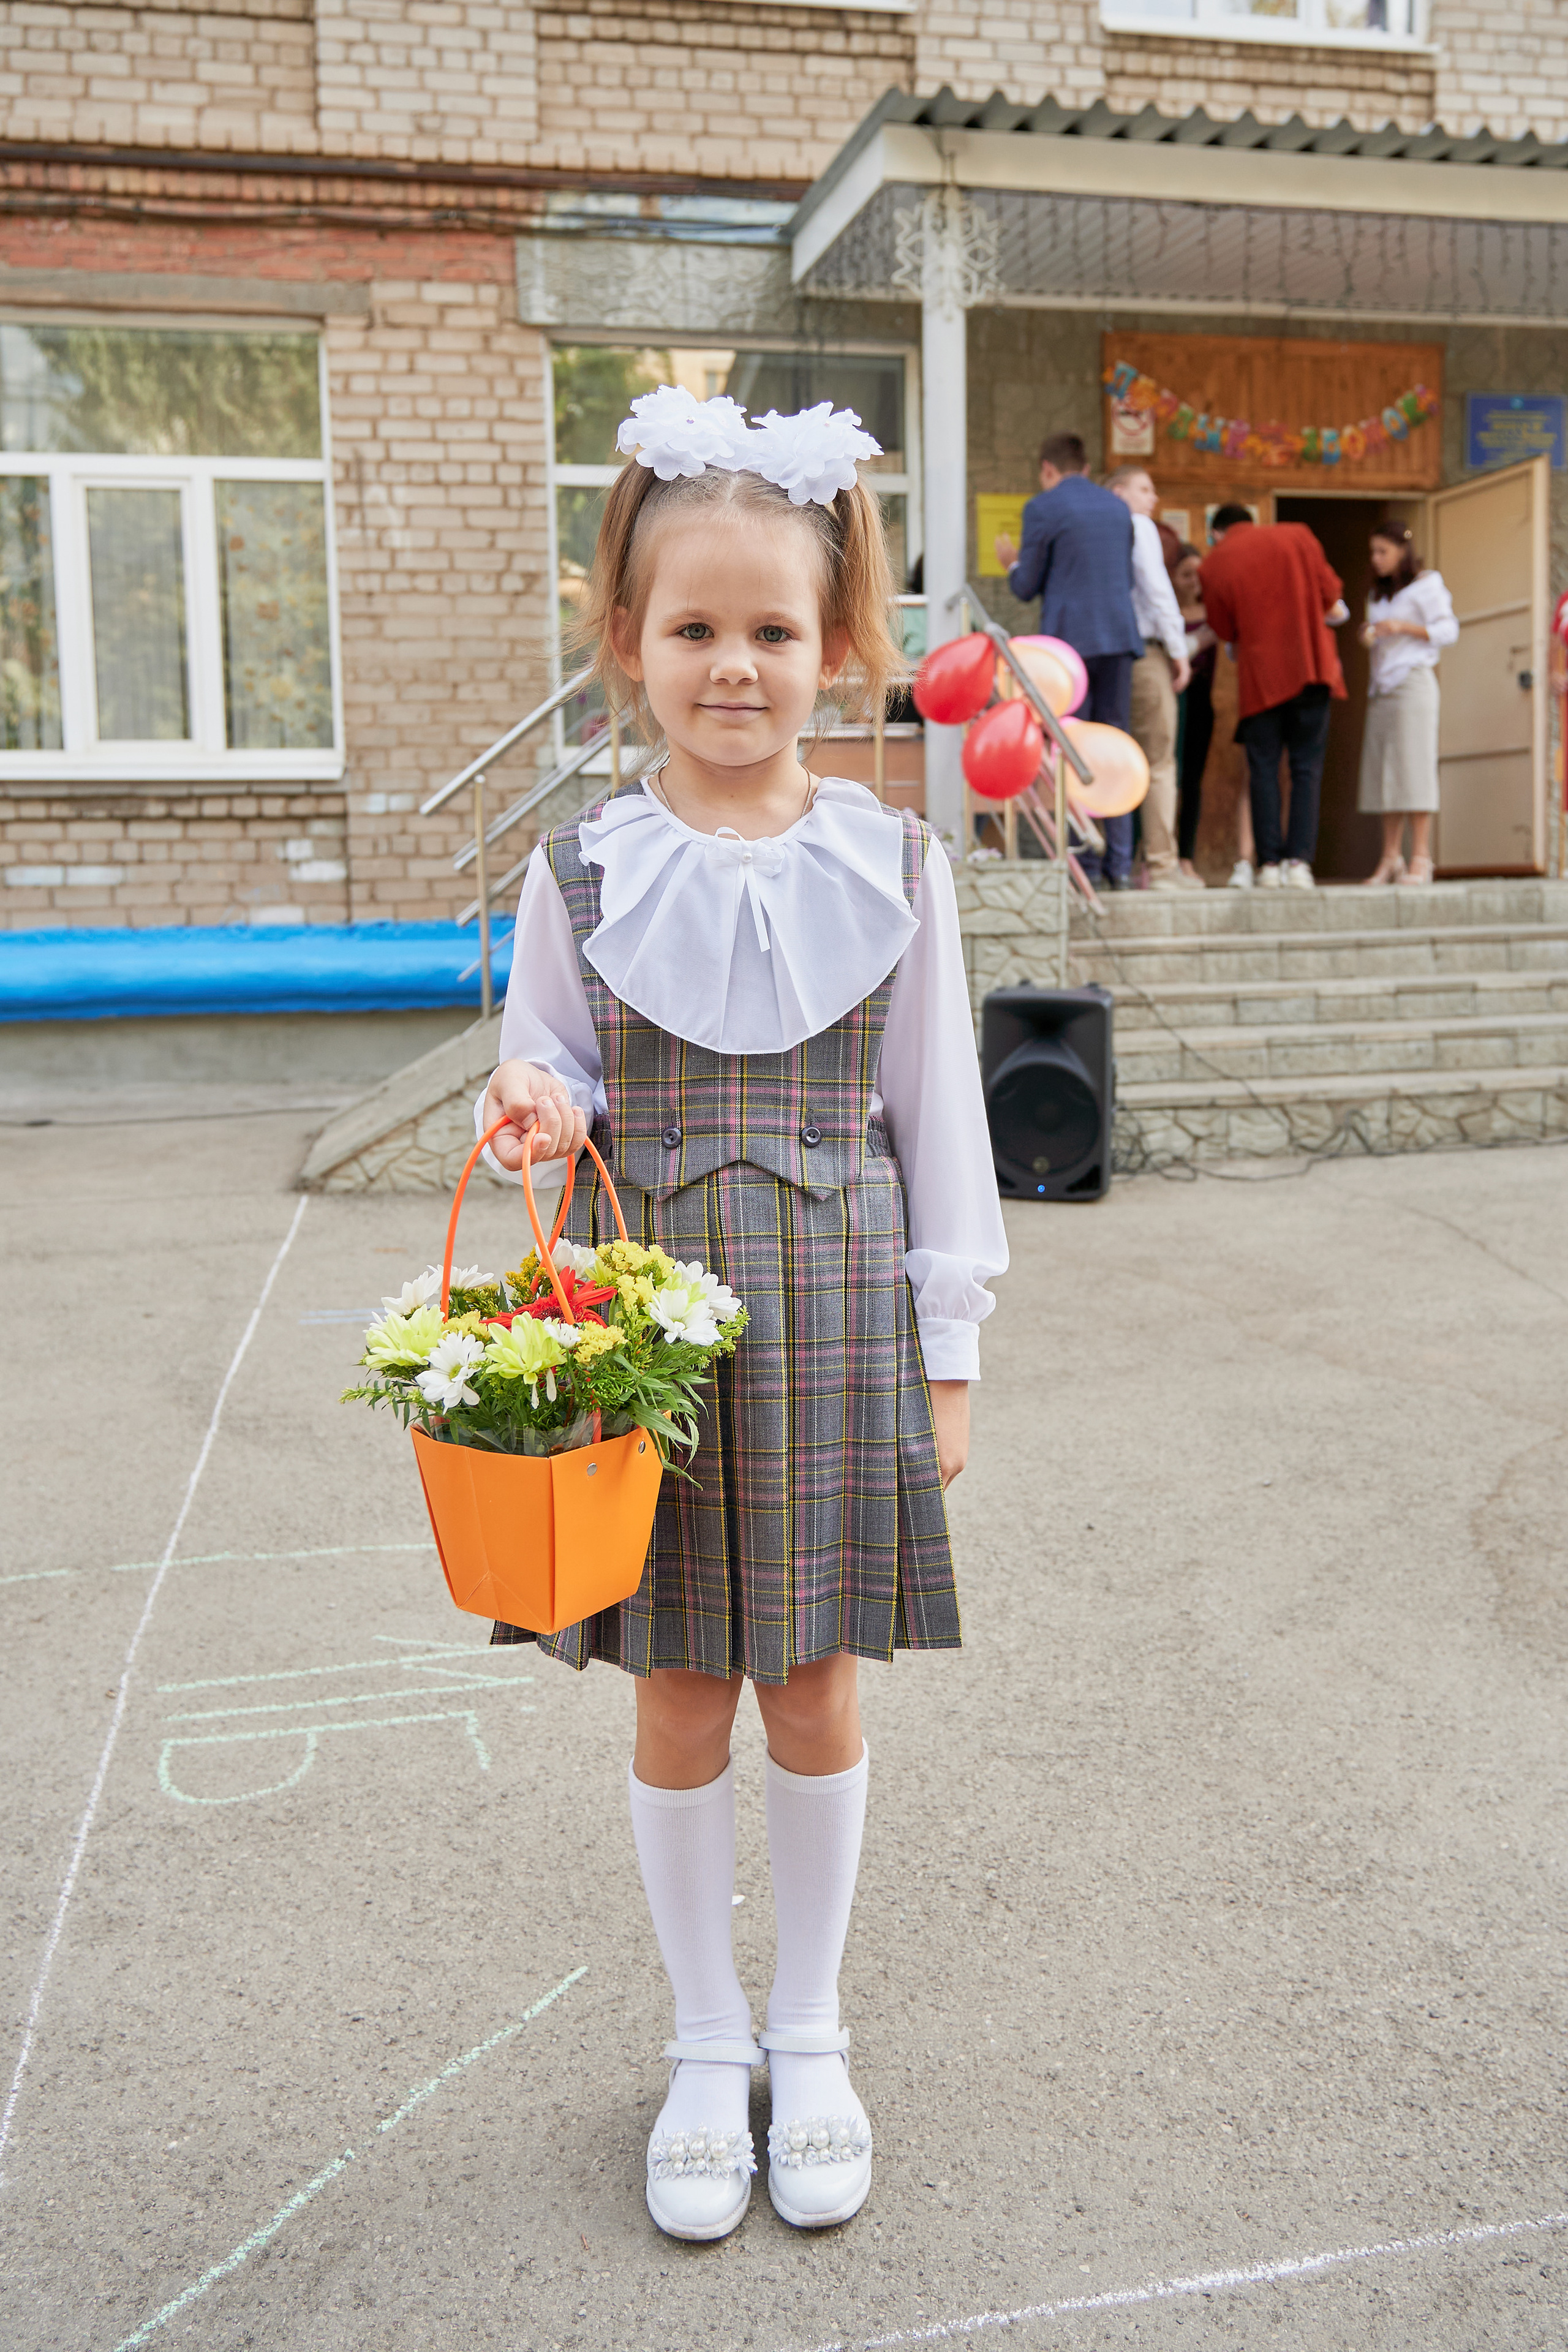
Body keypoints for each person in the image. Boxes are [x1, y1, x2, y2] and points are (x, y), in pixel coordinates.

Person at [475, 389, 1008, 2247]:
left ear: (837, 642)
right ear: (627, 642)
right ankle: (707, 2039)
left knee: (816, 1683)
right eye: (691, 628)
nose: (732, 665)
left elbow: (941, 1121)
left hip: (843, 1322)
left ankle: (812, 2023)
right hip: (654, 1337)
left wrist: (950, 1353)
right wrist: (535, 1104)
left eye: (772, 629)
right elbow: (545, 1060)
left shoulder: (894, 865)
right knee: (683, 1687)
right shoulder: (584, 867)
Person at [994, 431, 1142, 886]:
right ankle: (1120, 862)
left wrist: (1012, 564)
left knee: (1072, 745)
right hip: (1117, 638)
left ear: (1047, 469)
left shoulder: (1044, 507)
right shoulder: (1119, 508)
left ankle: (1088, 868)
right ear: (1085, 466)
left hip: (1069, 651)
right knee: (1116, 744)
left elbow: (1027, 585)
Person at [1199, 503, 1349, 890]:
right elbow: (1332, 595)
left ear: (1217, 532)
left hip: (1260, 680)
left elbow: (1224, 630)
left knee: (1263, 770)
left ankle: (1267, 864)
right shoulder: (1297, 535)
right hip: (1310, 668)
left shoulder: (1215, 563)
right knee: (1306, 768)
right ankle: (1299, 863)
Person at [1357, 518, 1458, 886]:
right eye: (1373, 552)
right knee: (1385, 771)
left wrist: (1403, 628)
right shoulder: (1378, 593)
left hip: (1413, 683)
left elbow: (1449, 630)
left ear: (1403, 551)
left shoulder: (1426, 585)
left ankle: (1421, 857)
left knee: (1415, 767)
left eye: (1383, 551)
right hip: (1382, 688)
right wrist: (1370, 634)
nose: (1377, 559)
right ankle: (1390, 858)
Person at [1108, 467, 1196, 891]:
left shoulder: (1095, 530)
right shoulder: (1137, 525)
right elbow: (1157, 590)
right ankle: (1162, 867)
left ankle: (1124, 862)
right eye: (1145, 488)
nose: (1153, 498)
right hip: (1146, 652)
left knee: (1120, 758)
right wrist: (1179, 651)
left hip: (1108, 658)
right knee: (1159, 761)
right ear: (1119, 491)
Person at [1169, 540, 1221, 886]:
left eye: (1199, 575)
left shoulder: (1214, 616)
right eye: (1186, 574)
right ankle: (1159, 854)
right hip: (1170, 698)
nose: (1194, 582)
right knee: (1165, 777)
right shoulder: (1165, 612)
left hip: (1202, 700)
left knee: (1192, 781)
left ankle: (1186, 857)